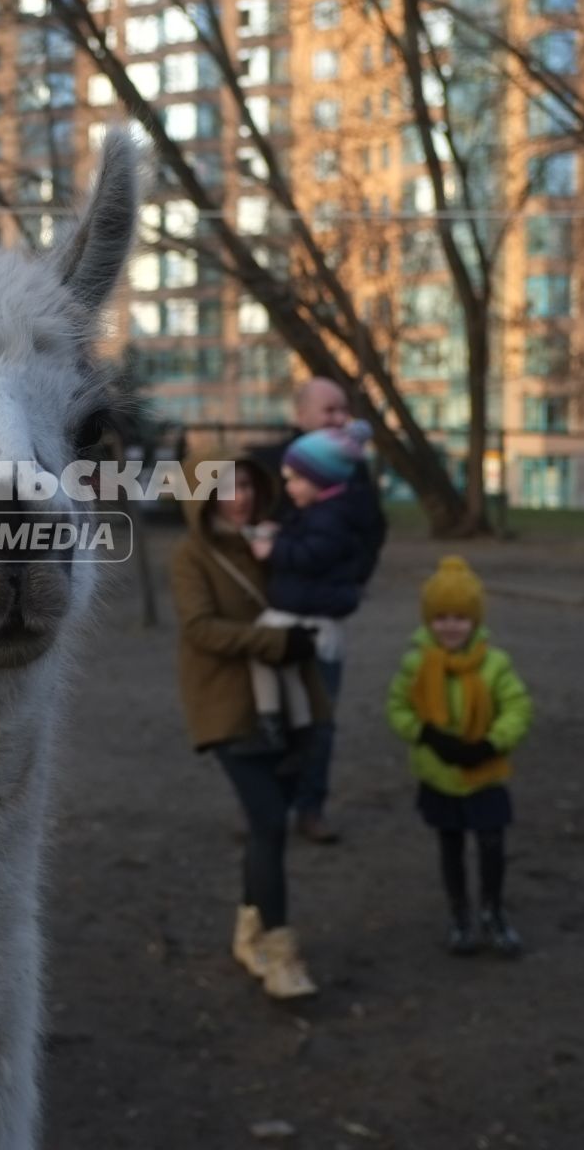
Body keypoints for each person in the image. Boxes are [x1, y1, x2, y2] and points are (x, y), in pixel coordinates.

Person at [170, 455, 330, 1000]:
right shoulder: (193, 557)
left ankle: (249, 930)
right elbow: (201, 628)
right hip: (230, 708)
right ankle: (281, 955)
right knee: (269, 823)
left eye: (247, 485)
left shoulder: (274, 544)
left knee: (270, 824)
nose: (241, 496)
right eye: (227, 486)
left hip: (291, 705)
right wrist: (277, 642)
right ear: (205, 497)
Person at [249, 378, 387, 844]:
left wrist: (349, 583)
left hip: (321, 614)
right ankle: (264, 807)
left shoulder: (349, 471)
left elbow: (369, 533)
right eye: (328, 410)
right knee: (266, 718)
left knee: (319, 718)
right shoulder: (272, 466)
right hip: (275, 607)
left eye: (342, 410)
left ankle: (311, 806)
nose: (338, 418)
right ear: (300, 414)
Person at [385, 556, 535, 957]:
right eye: (441, 617)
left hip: (484, 772)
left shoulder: (495, 664)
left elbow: (518, 707)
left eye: (460, 617)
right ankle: (459, 914)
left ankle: (493, 911)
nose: (450, 626)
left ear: (475, 620)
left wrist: (492, 743)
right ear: (428, 620)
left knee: (491, 844)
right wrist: (426, 735)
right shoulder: (416, 664)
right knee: (449, 846)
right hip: (439, 773)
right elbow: (399, 707)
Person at [246, 421, 377, 746]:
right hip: (309, 607)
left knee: (261, 650)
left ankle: (271, 717)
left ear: (321, 480)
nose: (288, 487)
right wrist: (279, 532)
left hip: (304, 611)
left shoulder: (330, 517)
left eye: (296, 480)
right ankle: (296, 726)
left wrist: (274, 549)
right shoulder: (327, 511)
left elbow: (313, 554)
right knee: (288, 669)